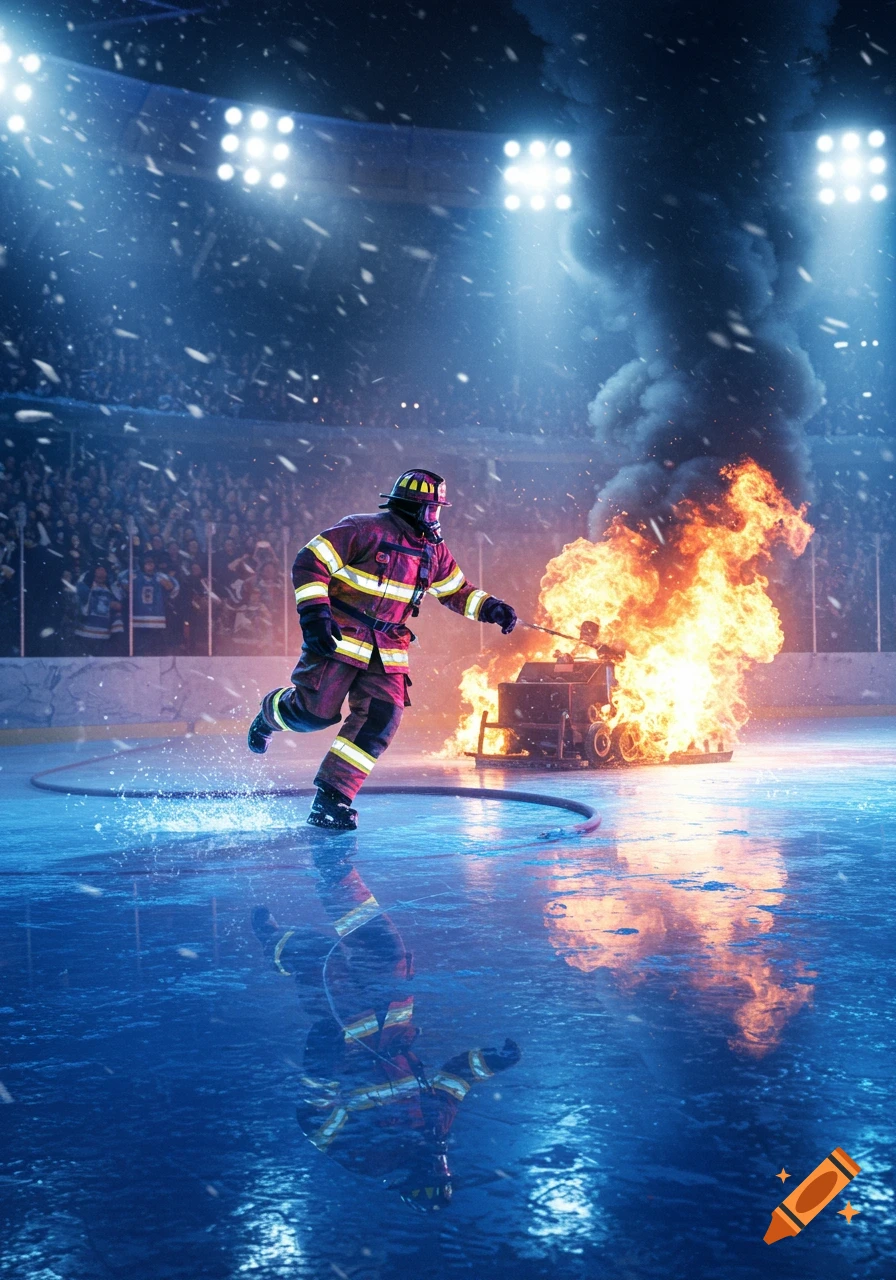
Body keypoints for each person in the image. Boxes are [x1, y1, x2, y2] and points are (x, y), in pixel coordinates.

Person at [252, 839, 521, 1211]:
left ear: (418, 1180)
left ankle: (270, 939)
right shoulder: (435, 1130)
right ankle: (336, 871)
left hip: (349, 1035)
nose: (441, 1165)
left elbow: (317, 1124)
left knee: (316, 956)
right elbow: (454, 1081)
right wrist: (493, 1061)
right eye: (445, 1171)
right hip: (395, 1023)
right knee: (385, 949)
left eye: (437, 1174)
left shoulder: (370, 1160)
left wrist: (319, 1069)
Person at [246, 470, 517, 829]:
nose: (435, 519)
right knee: (313, 714)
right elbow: (310, 560)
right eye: (431, 511)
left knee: (380, 719)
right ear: (411, 507)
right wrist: (314, 613)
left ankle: (331, 801)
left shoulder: (432, 550)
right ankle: (270, 714)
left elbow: (455, 589)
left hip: (388, 648)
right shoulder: (362, 529)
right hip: (339, 637)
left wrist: (490, 608)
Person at [118, 554, 179, 656]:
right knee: (140, 650)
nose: (150, 564)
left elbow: (171, 587)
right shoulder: (133, 575)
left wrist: (165, 584)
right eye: (147, 562)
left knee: (156, 650)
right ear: (142, 563)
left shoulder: (160, 576)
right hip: (138, 619)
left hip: (157, 620)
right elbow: (124, 586)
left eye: (151, 562)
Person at [74, 564, 123, 656]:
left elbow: (118, 607)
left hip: (104, 635)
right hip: (84, 634)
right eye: (98, 570)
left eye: (103, 570)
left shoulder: (111, 590)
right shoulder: (86, 587)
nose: (101, 573)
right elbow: (82, 595)